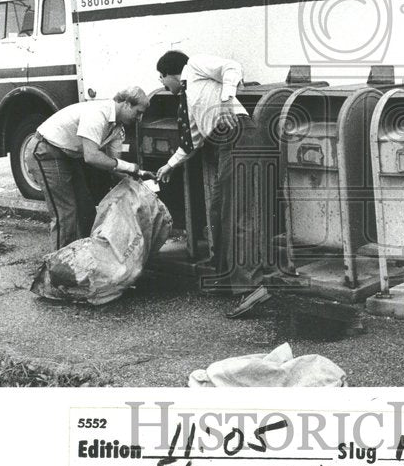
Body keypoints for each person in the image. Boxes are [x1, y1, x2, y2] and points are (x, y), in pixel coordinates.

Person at [155, 50, 269, 318]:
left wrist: (228, 99)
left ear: (169, 73)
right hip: (224, 144)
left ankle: (251, 287)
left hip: (238, 134)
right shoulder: (186, 97)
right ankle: (226, 277)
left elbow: (232, 67)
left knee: (237, 213)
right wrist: (170, 165)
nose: (162, 85)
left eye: (161, 79)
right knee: (217, 211)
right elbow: (192, 140)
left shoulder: (194, 66)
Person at [30, 86, 150, 250]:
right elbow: (92, 156)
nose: (139, 118)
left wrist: (136, 178)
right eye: (138, 112)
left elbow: (113, 164)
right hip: (47, 150)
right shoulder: (99, 113)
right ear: (127, 104)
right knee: (66, 213)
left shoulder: (117, 127)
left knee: (85, 209)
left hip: (69, 154)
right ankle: (59, 267)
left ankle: (85, 257)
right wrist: (131, 168)